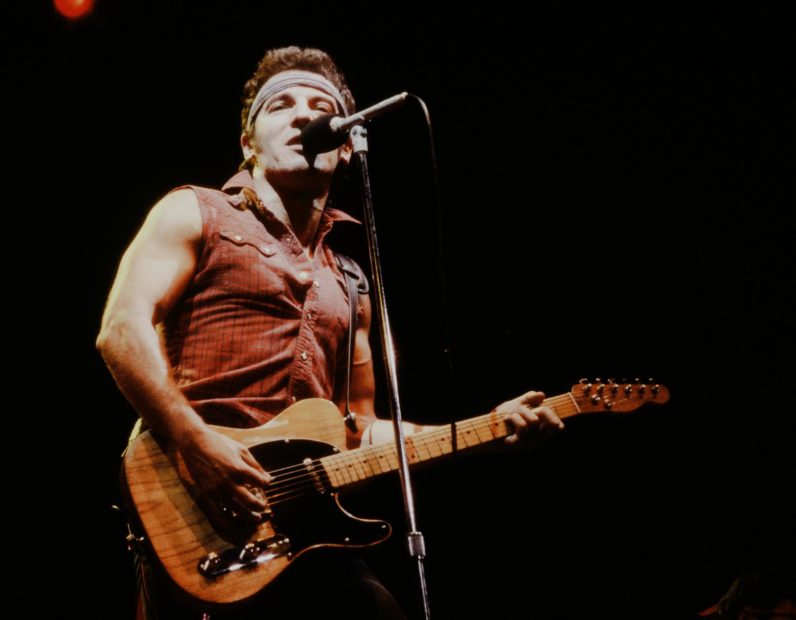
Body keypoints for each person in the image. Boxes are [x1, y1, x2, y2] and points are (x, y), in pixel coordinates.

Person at [96, 46, 564, 620]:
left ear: (346, 147)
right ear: (248, 144)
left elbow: (358, 428)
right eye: (281, 106)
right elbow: (120, 330)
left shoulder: (351, 279)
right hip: (194, 505)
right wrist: (196, 444)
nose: (304, 116)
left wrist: (488, 429)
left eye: (322, 106)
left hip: (299, 529)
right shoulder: (195, 212)